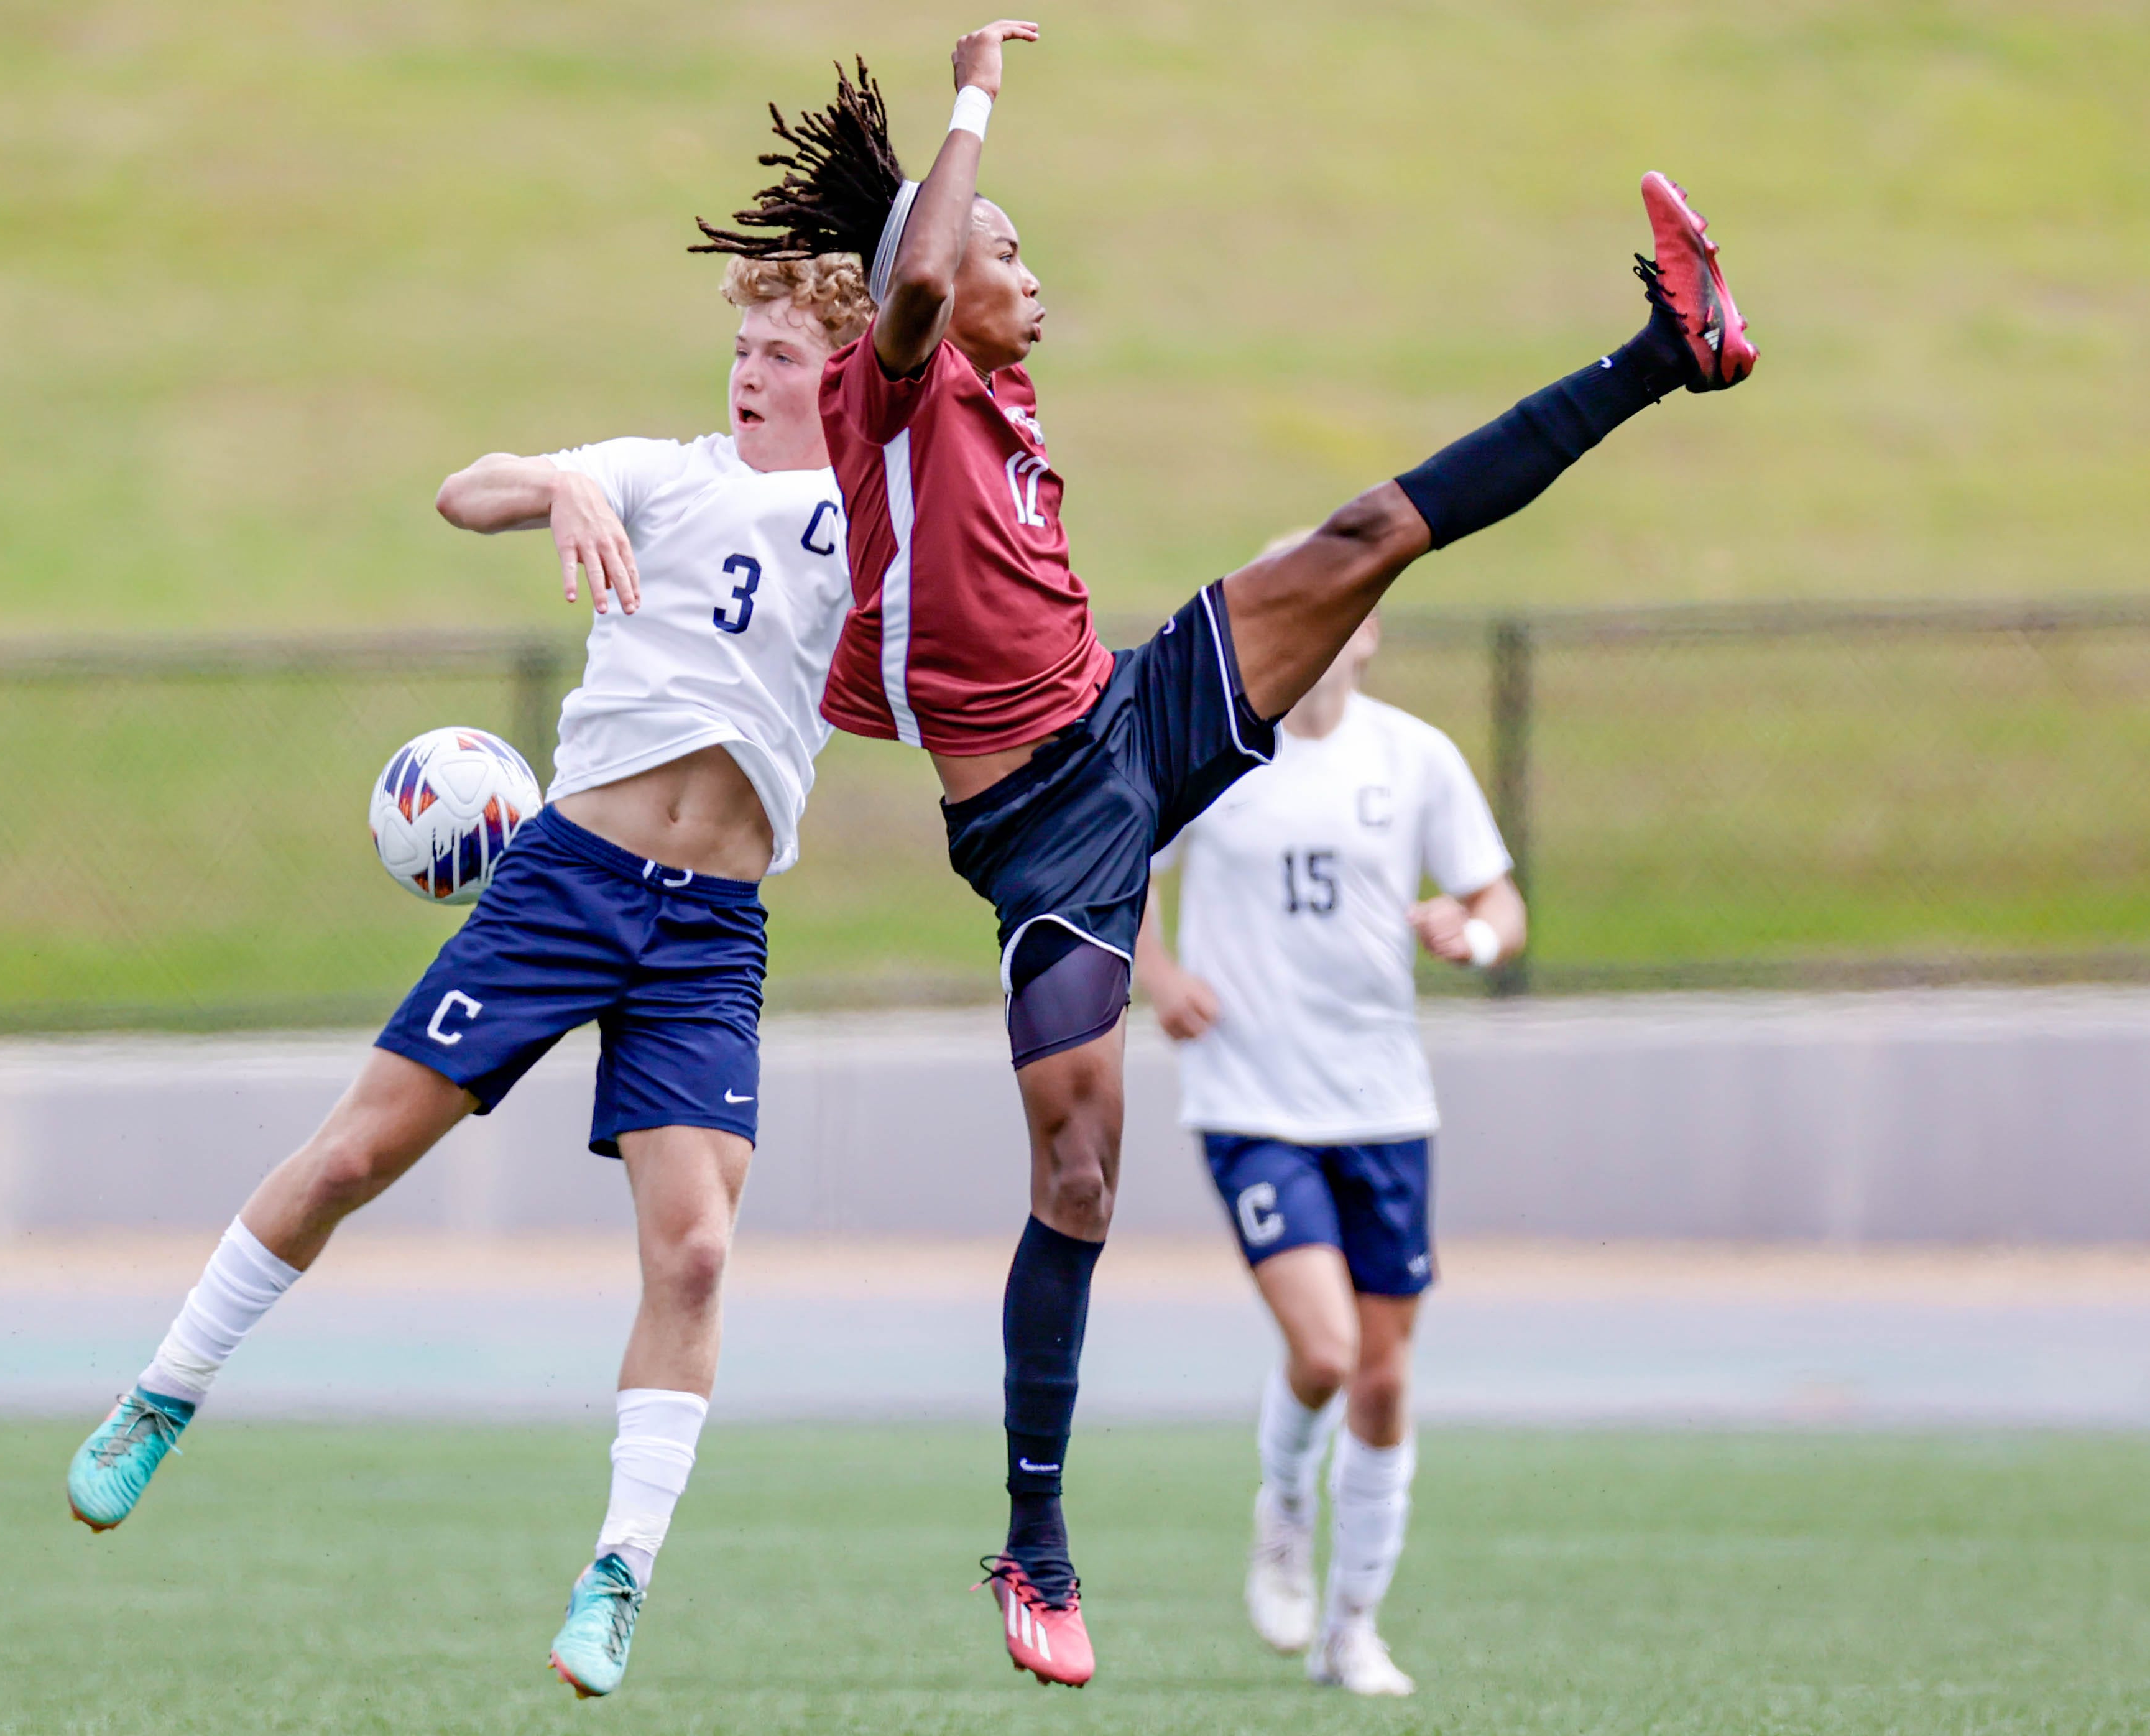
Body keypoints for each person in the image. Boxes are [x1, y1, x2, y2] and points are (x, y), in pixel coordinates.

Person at [692, 21, 1755, 1686]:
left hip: (1130, 713)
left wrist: (965, 219)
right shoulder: (888, 388)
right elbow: (907, 287)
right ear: (937, 268)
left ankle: (1664, 355)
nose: (1032, 273)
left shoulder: (1002, 397)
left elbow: (952, 322)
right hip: (1047, 841)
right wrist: (971, 99)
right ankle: (1034, 1549)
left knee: (1364, 539)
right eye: (1006, 248)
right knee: (1080, 1180)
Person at [60, 255, 869, 1701]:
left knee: (693, 1251)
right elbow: (463, 488)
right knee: (354, 1155)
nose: (748, 374)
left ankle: (618, 1570)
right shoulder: (659, 475)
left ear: (844, 376)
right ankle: (161, 1395)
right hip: (570, 883)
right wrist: (560, 487)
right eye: (740, 349)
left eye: (782, 357)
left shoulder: (874, 514)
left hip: (711, 932)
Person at [1135, 603, 1524, 1697]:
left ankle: (1351, 1629)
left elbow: (1500, 897)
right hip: (1252, 1101)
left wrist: (1476, 931)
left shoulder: (1414, 757)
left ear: (1369, 637)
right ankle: (1284, 1506)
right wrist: (1159, 981)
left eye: (1341, 617)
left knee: (1385, 1383)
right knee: (1325, 1354)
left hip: (1384, 1106)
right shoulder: (1219, 751)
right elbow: (1125, 869)